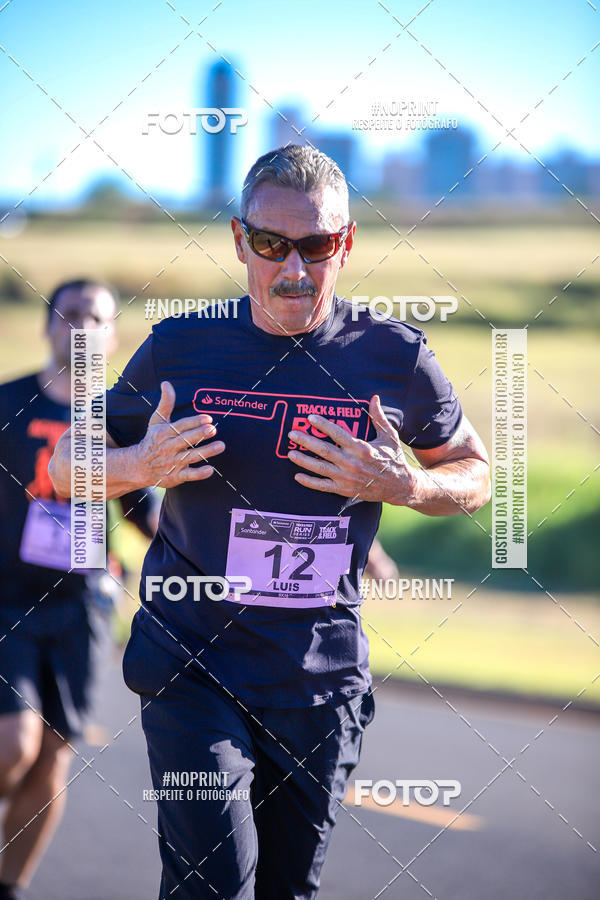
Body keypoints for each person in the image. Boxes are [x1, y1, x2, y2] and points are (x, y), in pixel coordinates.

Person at [50, 145, 491, 900]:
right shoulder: (181, 347)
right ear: (238, 240)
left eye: (317, 246)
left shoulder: (395, 356)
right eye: (271, 244)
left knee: (289, 891)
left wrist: (408, 482)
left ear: (345, 243)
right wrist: (137, 466)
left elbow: (475, 473)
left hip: (318, 675)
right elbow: (65, 464)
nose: (294, 268)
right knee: (211, 885)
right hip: (192, 661)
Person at [0, 279, 158, 900]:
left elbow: (148, 516)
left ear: (113, 335)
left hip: (82, 606)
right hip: (5, 600)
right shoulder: (8, 402)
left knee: (53, 756)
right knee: (15, 744)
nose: (82, 328)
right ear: (47, 326)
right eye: (70, 316)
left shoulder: (119, 419)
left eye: (96, 318)